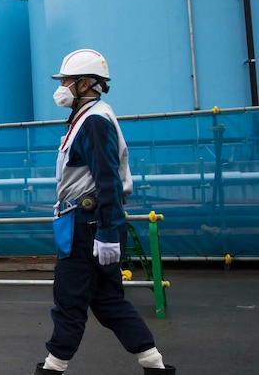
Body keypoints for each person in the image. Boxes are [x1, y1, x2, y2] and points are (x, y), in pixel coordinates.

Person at [34, 49, 176, 375]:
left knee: (70, 299)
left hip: (88, 223)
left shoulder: (94, 121)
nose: (62, 86)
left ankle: (52, 368)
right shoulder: (88, 117)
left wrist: (108, 231)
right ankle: (155, 365)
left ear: (85, 83)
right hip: (89, 221)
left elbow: (107, 178)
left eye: (67, 80)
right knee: (108, 302)